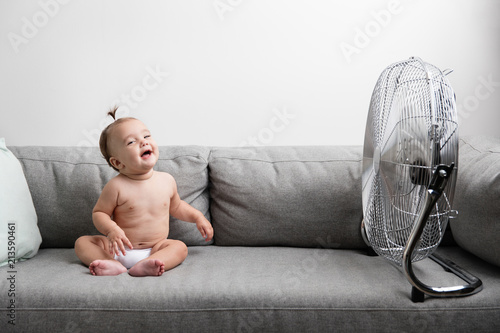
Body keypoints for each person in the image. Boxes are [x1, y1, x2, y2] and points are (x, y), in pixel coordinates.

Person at [74, 108, 213, 276]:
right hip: (118, 249)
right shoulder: (116, 186)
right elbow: (99, 213)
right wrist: (111, 230)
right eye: (131, 142)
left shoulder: (166, 180)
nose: (144, 142)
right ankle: (109, 263)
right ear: (117, 162)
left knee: (180, 247)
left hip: (155, 250)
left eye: (146, 136)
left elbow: (177, 207)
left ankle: (148, 265)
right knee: (82, 243)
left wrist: (198, 217)